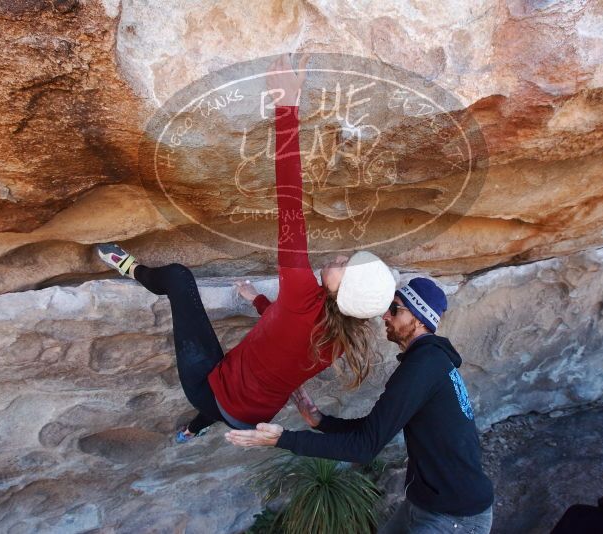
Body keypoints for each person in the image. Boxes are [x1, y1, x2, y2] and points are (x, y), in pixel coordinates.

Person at [96, 54, 395, 441]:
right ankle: (192, 430)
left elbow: (291, 201)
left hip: (212, 390)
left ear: (342, 292)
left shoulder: (303, 295)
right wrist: (256, 301)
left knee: (178, 278)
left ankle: (130, 268)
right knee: (222, 405)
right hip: (250, 417)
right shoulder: (341, 336)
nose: (339, 257)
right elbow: (282, 339)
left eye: (344, 266)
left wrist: (286, 105)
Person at [225, 277, 495, 534]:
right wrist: (322, 422)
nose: (385, 316)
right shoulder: (429, 362)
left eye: (394, 309)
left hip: (456, 518)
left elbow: (364, 448)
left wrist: (282, 440)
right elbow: (375, 428)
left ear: (418, 319)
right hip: (425, 504)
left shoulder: (423, 367)